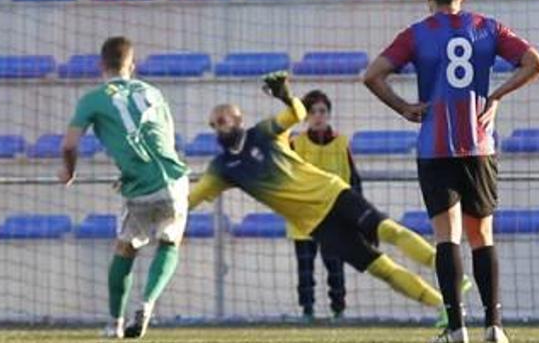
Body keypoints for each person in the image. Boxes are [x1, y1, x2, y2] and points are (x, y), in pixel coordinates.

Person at [363, 0, 539, 343]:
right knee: (482, 236)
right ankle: (494, 327)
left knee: (447, 237)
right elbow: (536, 63)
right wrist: (495, 96)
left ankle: (456, 328)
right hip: (478, 144)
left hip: (435, 147)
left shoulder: (416, 34)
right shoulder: (487, 27)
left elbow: (372, 75)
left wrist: (403, 107)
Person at [189, 72, 444, 315]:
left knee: (389, 231)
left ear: (238, 120)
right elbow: (191, 198)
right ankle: (444, 306)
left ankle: (447, 269)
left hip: (333, 193)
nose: (217, 129)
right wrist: (161, 209)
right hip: (316, 224)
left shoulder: (264, 132)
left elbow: (297, 112)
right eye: (213, 125)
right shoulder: (221, 168)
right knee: (381, 268)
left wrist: (285, 95)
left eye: (221, 121)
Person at [58, 36, 189, 339]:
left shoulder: (93, 98)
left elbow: (69, 145)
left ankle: (115, 324)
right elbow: (165, 138)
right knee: (169, 243)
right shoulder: (153, 91)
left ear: (100, 65)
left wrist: (69, 171)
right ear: (133, 65)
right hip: (174, 179)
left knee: (125, 249)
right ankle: (147, 304)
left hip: (141, 187)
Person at [287, 89, 361, 321]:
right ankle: (307, 311)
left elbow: (354, 180)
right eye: (313, 111)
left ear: (328, 114)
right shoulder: (295, 143)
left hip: (334, 217)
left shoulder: (341, 143)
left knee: (335, 267)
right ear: (306, 116)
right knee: (305, 269)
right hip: (303, 218)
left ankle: (338, 310)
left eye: (322, 111)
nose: (318, 115)